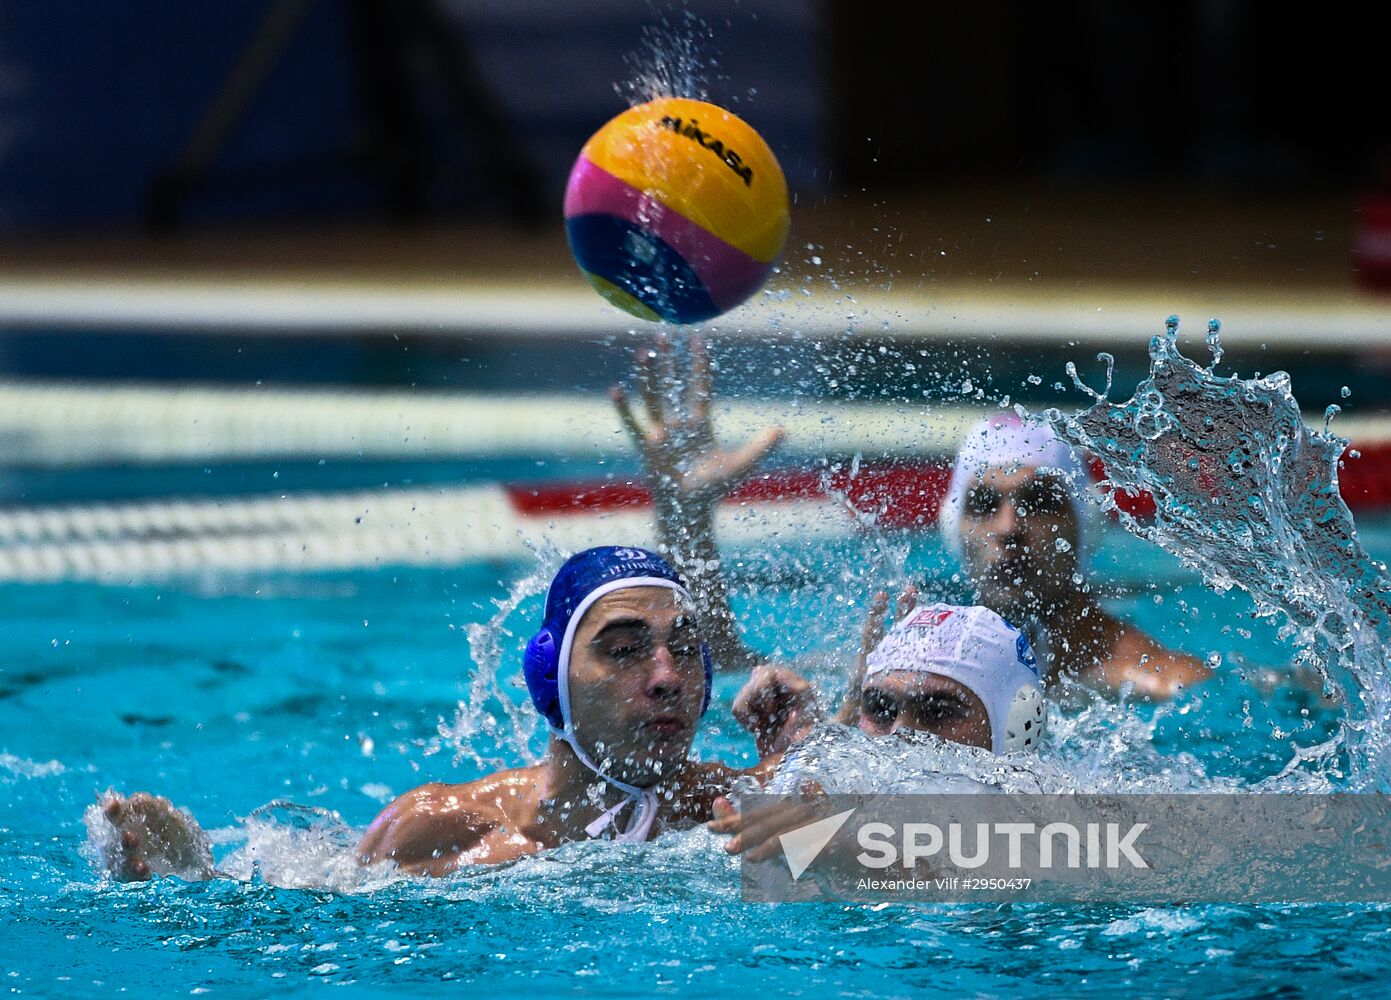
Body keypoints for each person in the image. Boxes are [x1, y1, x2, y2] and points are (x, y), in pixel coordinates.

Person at [94, 546, 797, 882]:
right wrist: (189, 885)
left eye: (684, 650)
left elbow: (906, 865)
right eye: (623, 651)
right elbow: (297, 926)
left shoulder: (739, 810)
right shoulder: (439, 829)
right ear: (548, 680)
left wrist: (817, 777)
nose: (666, 677)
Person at [939, 412, 1210, 698]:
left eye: (1038, 503)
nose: (1009, 528)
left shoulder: (1166, 686)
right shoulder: (919, 672)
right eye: (984, 504)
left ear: (1085, 528)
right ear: (953, 531)